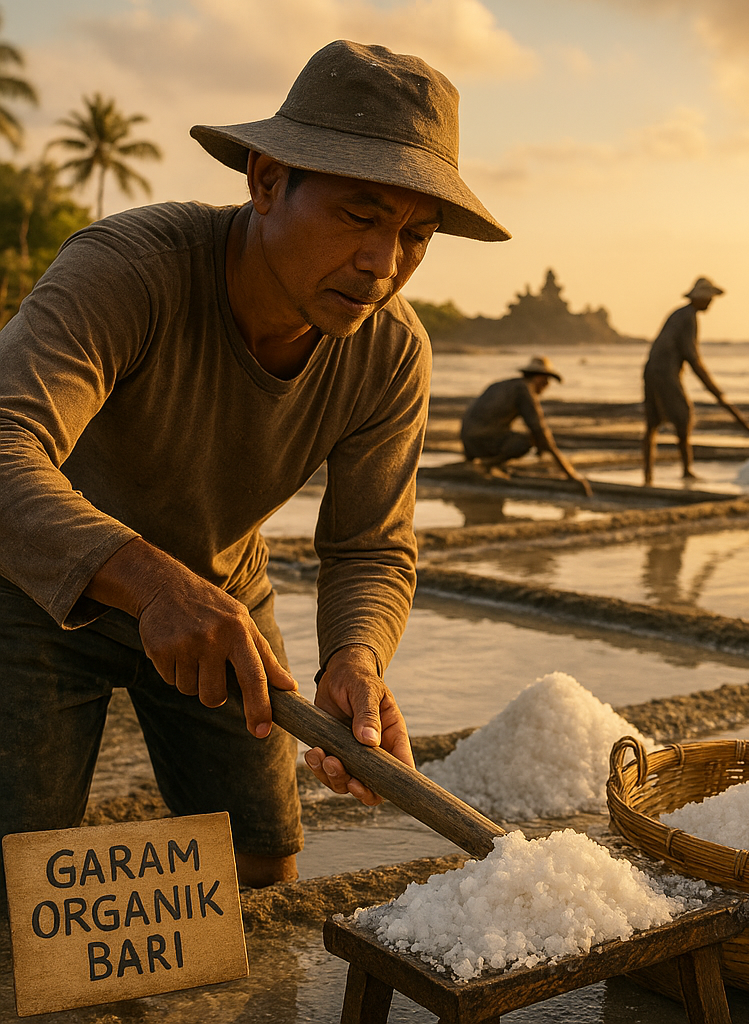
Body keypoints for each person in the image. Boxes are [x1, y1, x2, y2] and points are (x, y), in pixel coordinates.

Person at [0, 40, 509, 889]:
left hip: (222, 596)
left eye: (415, 236)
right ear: (268, 180)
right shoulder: (128, 272)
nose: (384, 264)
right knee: (17, 880)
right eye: (359, 215)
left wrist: (356, 657)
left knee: (262, 861)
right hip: (37, 587)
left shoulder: (389, 353)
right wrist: (154, 586)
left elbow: (370, 547)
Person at [642, 277, 749, 484]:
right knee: (683, 417)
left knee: (653, 424)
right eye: (708, 298)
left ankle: (649, 475)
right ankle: (685, 470)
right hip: (664, 373)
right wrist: (714, 389)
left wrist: (712, 387)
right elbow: (692, 356)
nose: (710, 303)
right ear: (699, 298)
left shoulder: (681, 314)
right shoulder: (687, 317)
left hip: (652, 370)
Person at [460, 356, 592, 496]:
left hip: (469, 442)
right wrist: (571, 475)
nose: (547, 385)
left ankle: (486, 462)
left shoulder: (504, 385)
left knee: (515, 433)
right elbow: (541, 433)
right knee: (528, 441)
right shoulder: (524, 390)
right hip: (482, 442)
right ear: (540, 378)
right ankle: (487, 465)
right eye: (546, 380)